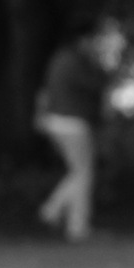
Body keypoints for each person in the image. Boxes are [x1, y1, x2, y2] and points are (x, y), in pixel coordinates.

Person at [36, 22, 114, 241]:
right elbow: (98, 84)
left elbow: (45, 90)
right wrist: (100, 64)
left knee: (78, 172)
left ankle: (58, 215)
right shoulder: (78, 62)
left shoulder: (59, 59)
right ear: (83, 40)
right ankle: (68, 222)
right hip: (73, 122)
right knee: (83, 174)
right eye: (93, 40)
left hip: (55, 121)